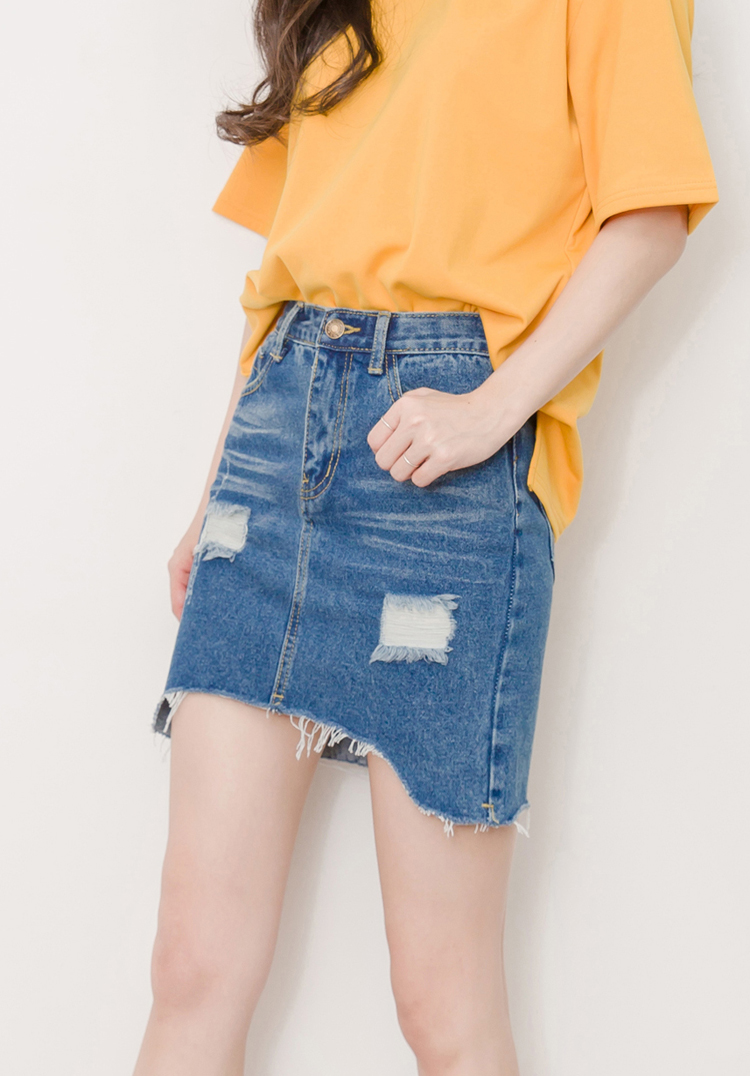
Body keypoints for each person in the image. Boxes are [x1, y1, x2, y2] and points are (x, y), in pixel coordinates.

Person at [134, 0, 718, 1072]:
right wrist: (212, 488)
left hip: (445, 474)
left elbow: (652, 216)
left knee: (441, 1000)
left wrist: (495, 406)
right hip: (272, 446)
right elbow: (283, 278)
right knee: (192, 964)